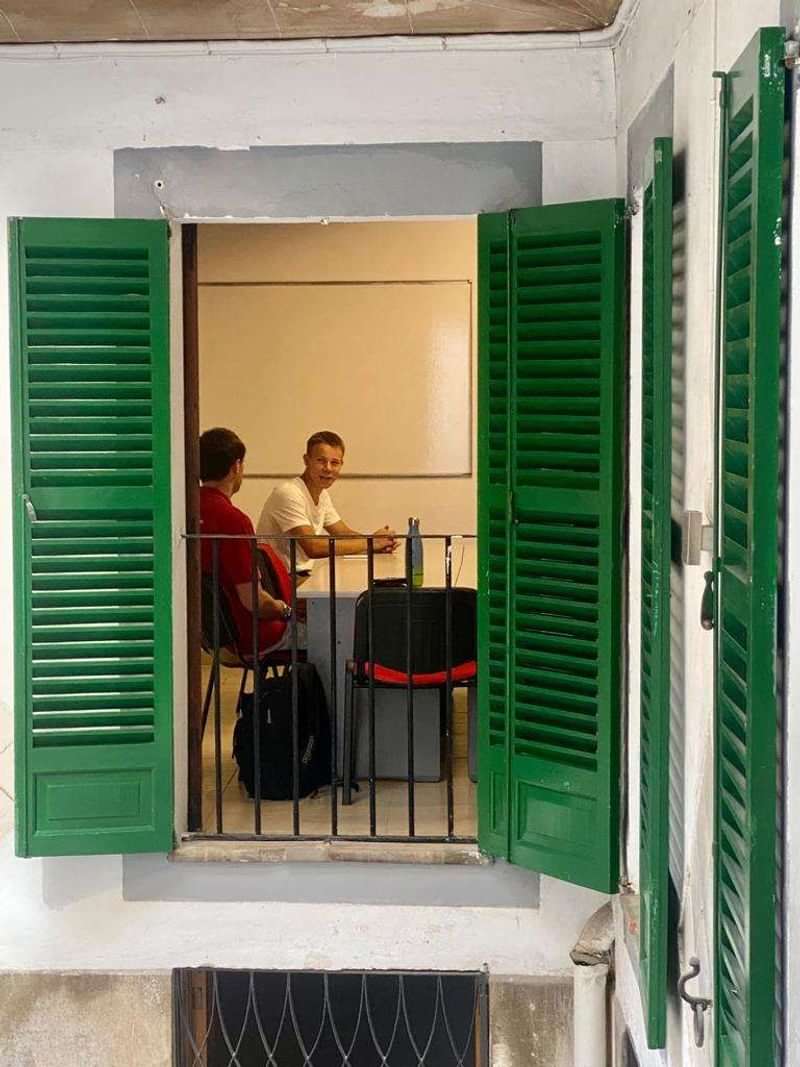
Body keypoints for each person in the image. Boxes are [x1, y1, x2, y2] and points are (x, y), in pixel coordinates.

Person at [199, 427, 292, 654]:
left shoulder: (186, 511)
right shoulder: (234, 521)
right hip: (250, 633)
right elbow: (254, 602)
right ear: (236, 466)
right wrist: (284, 609)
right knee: (328, 632)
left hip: (210, 636)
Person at [257, 430, 397, 576]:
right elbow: (313, 547)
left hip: (300, 577)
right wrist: (371, 543)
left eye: (334, 463)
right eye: (321, 461)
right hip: (280, 583)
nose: (328, 468)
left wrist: (379, 542)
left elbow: (343, 533)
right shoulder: (289, 492)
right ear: (306, 460)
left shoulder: (322, 494)